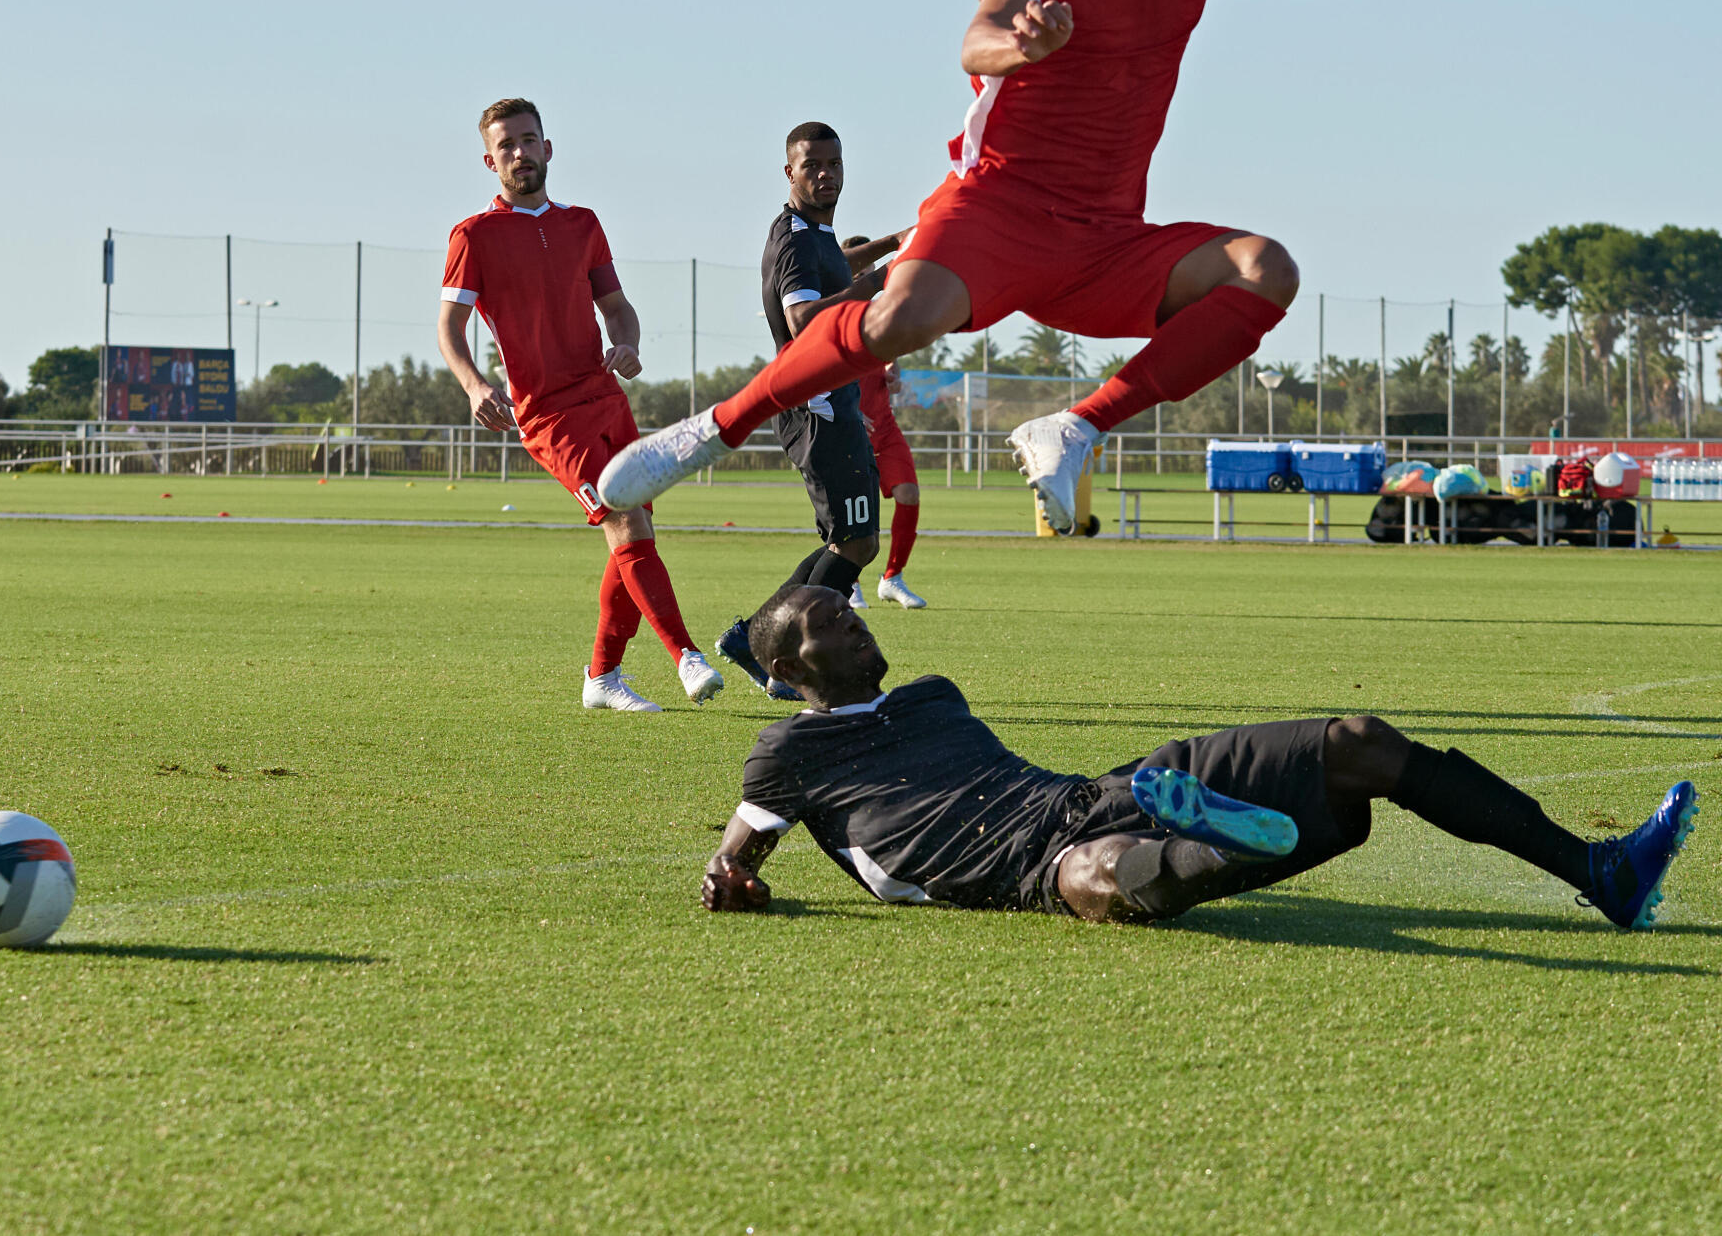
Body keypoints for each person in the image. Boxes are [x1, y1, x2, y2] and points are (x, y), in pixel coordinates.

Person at [601, 0, 1559, 531]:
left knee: (1267, 269)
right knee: (901, 320)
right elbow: (976, 39)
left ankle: (1077, 427)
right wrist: (1026, 46)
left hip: (1108, 237)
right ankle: (703, 433)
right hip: (1001, 204)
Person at [699, 587, 1698, 931]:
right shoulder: (785, 754)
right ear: (790, 667)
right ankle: (1220, 843)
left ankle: (1602, 870)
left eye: (852, 608)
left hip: (1092, 793)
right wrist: (737, 883)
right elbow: (736, 857)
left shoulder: (933, 697)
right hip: (1015, 869)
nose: (857, 622)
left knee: (1359, 743)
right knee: (1102, 878)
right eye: (834, 621)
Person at [438, 96, 724, 714]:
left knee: (634, 530)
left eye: (528, 140)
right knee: (625, 522)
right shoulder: (474, 236)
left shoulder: (583, 224)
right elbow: (449, 328)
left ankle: (601, 678)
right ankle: (687, 657)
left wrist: (628, 342)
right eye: (506, 145)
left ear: (548, 147)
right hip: (546, 414)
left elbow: (616, 305)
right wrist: (473, 384)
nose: (520, 153)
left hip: (605, 396)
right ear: (490, 161)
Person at [712, 123, 903, 697]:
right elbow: (803, 320)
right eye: (812, 165)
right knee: (856, 543)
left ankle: (756, 640)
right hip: (815, 407)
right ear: (789, 172)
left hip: (833, 404)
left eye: (834, 165)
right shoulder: (795, 239)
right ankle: (779, 655)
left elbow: (841, 268)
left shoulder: (817, 231)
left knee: (848, 540)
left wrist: (898, 242)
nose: (826, 175)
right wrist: (876, 282)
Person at [839, 244, 927, 610]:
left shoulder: (881, 312)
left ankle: (892, 578)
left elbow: (890, 358)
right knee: (857, 511)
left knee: (909, 494)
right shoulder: (833, 314)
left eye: (870, 272)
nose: (865, 278)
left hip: (885, 428)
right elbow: (822, 373)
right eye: (858, 271)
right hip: (847, 429)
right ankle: (849, 583)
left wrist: (895, 372)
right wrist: (849, 410)